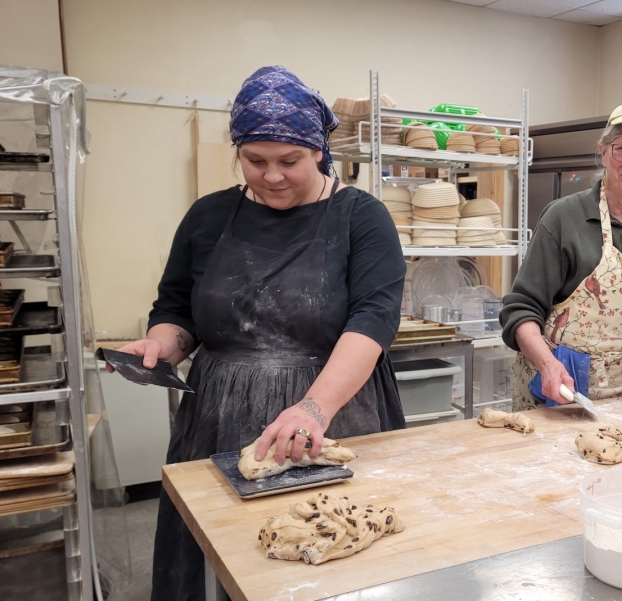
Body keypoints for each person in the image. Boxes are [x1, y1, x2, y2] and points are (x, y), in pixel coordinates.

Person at [110, 66, 407, 600]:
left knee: (330, 552)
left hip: (336, 412)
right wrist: (162, 345)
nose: (271, 176)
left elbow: (374, 319)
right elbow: (177, 309)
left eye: (289, 161)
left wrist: (314, 408)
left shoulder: (362, 218)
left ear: (318, 151)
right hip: (219, 419)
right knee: (217, 565)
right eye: (255, 160)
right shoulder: (207, 216)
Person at [500, 100, 622, 410]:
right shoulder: (564, 217)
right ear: (603, 151)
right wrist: (548, 365)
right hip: (559, 390)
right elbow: (521, 311)